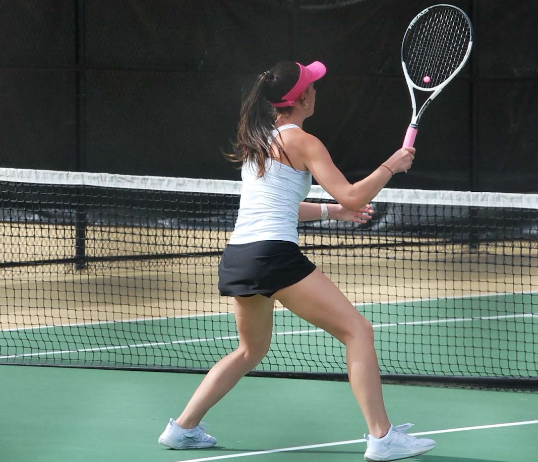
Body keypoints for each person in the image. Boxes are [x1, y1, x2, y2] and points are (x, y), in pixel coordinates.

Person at [158, 60, 436, 461]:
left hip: (240, 256)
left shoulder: (259, 140)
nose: (317, 89)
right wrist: (391, 165)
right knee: (358, 332)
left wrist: (332, 213)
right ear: (303, 97)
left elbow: (282, 203)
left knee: (250, 350)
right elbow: (355, 196)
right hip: (273, 255)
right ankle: (382, 437)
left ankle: (181, 428)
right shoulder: (305, 142)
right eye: (313, 84)